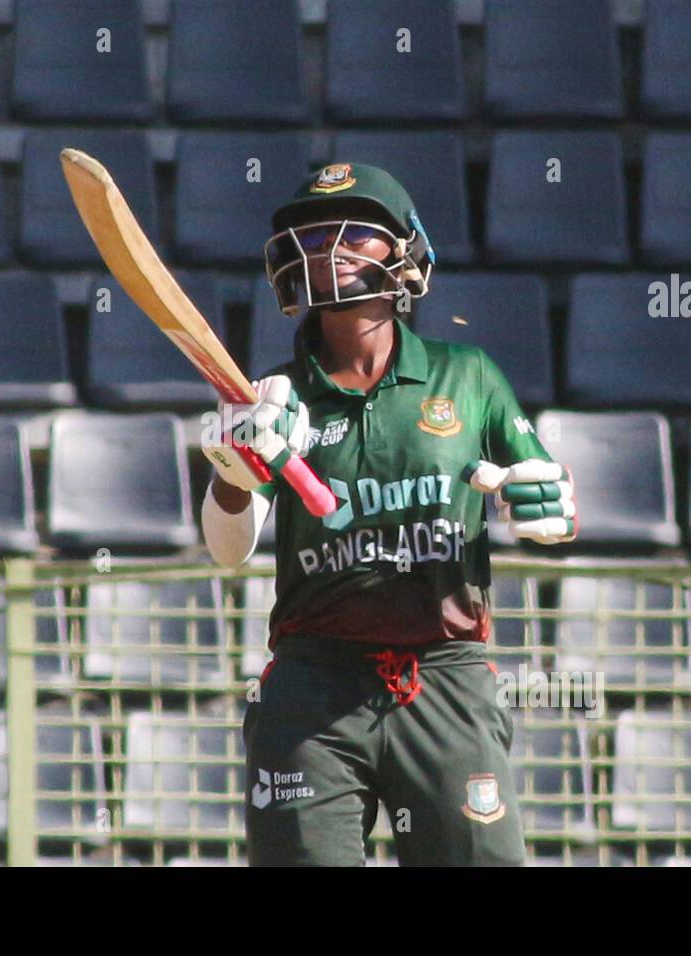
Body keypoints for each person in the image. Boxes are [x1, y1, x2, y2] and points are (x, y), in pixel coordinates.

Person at [200, 162, 578, 866]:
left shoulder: (467, 375)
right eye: (310, 237)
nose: (325, 249)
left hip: (445, 676)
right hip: (313, 683)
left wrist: (544, 503)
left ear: (404, 253)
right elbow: (227, 550)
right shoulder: (272, 401)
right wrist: (230, 473)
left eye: (352, 234)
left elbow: (549, 508)